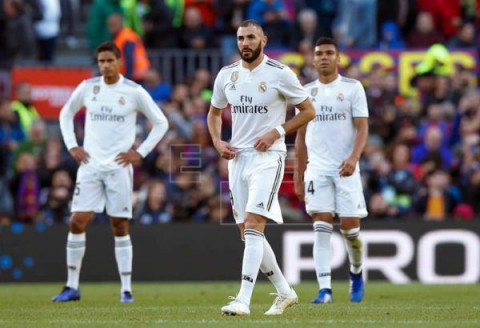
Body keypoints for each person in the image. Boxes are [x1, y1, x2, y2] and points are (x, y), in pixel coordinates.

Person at [207, 19, 315, 316]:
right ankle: (285, 292)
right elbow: (214, 113)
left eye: (251, 37)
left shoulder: (281, 74)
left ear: (263, 40)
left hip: (269, 158)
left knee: (254, 225)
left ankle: (243, 298)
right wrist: (217, 142)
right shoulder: (226, 75)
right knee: (247, 233)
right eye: (241, 38)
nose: (245, 43)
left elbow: (308, 110)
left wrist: (277, 132)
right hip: (237, 159)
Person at [52, 41, 169, 303]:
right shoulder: (88, 87)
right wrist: (72, 146)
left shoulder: (133, 91)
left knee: (119, 225)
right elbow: (65, 114)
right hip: (90, 166)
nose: (105, 65)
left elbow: (161, 122)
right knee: (77, 221)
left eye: (109, 60)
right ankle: (72, 286)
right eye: (101, 61)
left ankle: (126, 289)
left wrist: (140, 152)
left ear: (119, 62)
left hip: (118, 168)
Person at [294, 37, 368, 304]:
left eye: (329, 53)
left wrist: (354, 158)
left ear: (338, 59)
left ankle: (356, 272)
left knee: (351, 231)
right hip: (318, 170)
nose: (324, 57)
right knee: (321, 227)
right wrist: (298, 175)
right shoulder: (304, 93)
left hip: (346, 169)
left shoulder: (352, 88)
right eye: (319, 54)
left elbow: (362, 127)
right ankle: (325, 289)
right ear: (313, 60)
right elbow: (300, 138)